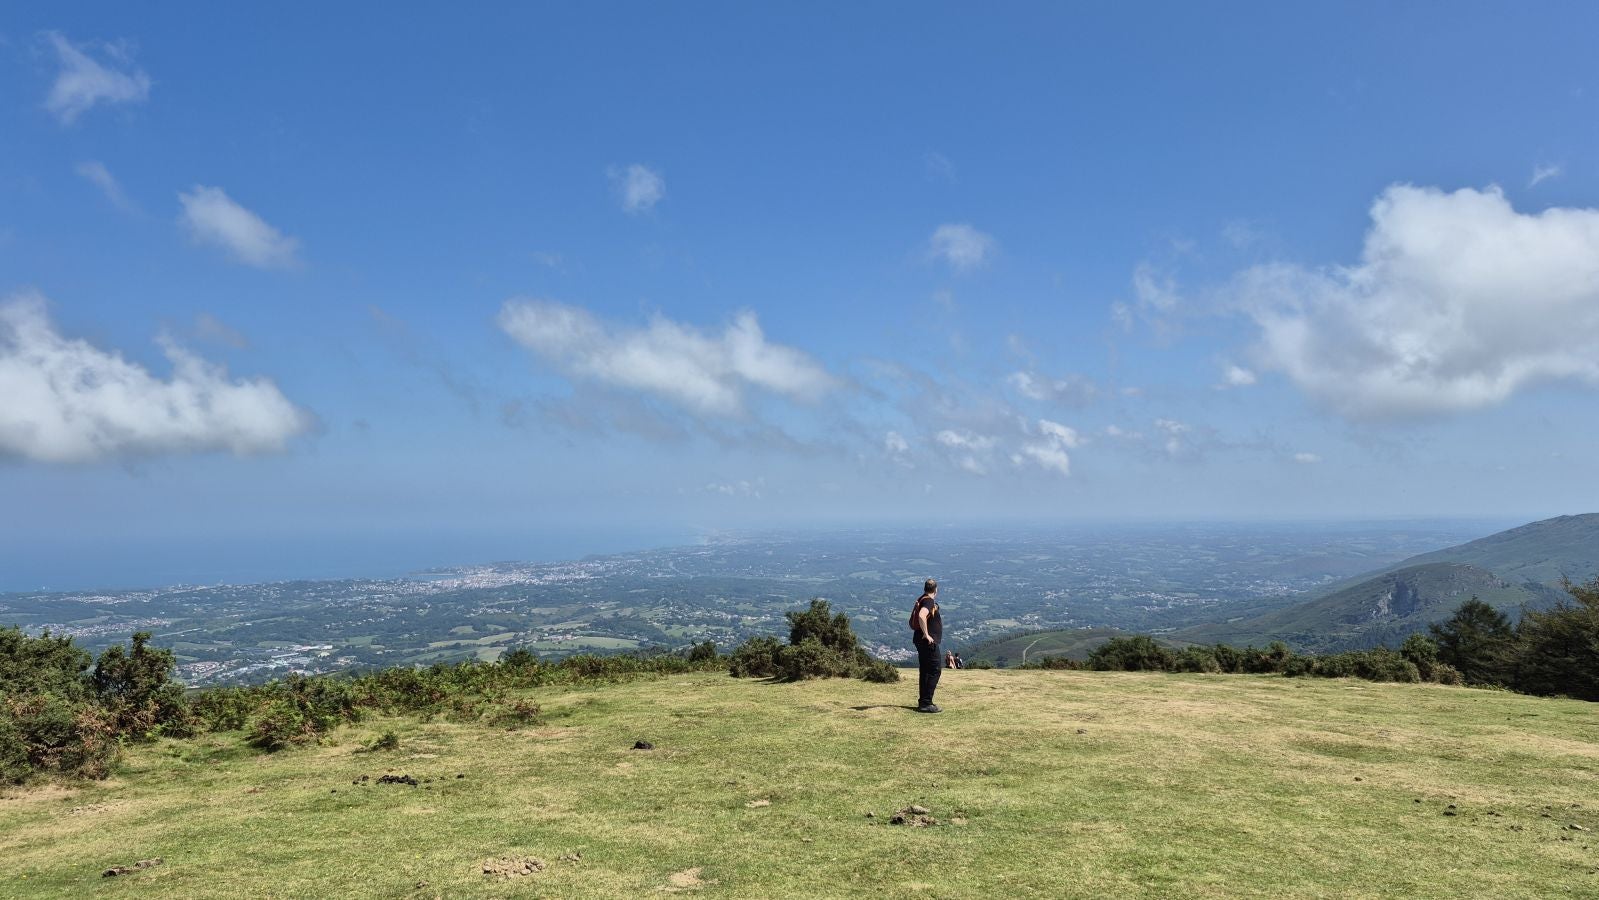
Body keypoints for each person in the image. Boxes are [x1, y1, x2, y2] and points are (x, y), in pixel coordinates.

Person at [910, 578, 944, 713]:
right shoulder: (929, 600)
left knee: (925, 671)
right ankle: (926, 702)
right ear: (936, 589)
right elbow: (922, 615)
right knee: (935, 670)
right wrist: (927, 634)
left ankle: (923, 701)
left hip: (919, 640)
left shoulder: (922, 598)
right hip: (927, 642)